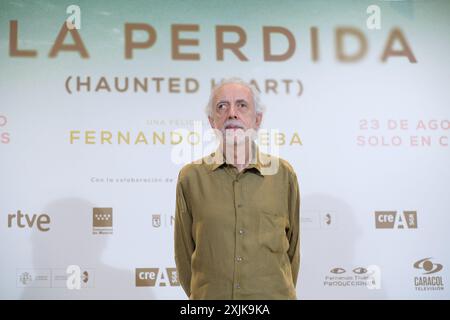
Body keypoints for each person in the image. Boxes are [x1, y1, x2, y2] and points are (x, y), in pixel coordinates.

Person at [174, 77, 300, 299]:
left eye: (242, 105)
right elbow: (184, 255)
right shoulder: (191, 178)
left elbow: (292, 253)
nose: (232, 113)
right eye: (222, 106)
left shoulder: (283, 174)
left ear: (257, 119)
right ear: (212, 121)